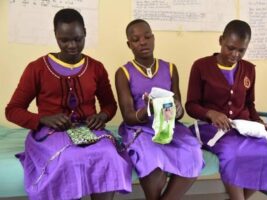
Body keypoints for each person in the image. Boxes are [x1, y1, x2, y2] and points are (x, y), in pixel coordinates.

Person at [5, 8, 131, 200]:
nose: (72, 45)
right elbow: (12, 110)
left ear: (85, 33)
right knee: (68, 159)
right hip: (51, 133)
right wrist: (43, 119)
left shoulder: (96, 67)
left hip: (89, 130)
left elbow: (109, 105)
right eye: (64, 40)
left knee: (108, 155)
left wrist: (102, 116)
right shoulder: (37, 68)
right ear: (55, 36)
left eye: (78, 39)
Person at [185, 19, 267, 200]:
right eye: (230, 47)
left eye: (241, 50)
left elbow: (249, 104)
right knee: (234, 155)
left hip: (242, 128)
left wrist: (259, 123)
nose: (235, 54)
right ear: (221, 40)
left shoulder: (249, 69)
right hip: (212, 129)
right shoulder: (201, 66)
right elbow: (191, 105)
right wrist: (211, 114)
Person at [115, 19, 204, 200]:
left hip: (168, 125)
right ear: (129, 44)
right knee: (153, 161)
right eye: (136, 39)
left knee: (194, 152)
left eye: (147, 37)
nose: (143, 42)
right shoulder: (123, 73)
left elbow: (179, 112)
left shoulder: (170, 68)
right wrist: (147, 109)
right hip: (140, 128)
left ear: (153, 38)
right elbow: (128, 116)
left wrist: (177, 109)